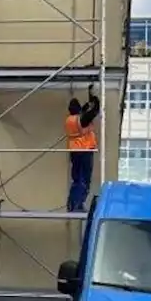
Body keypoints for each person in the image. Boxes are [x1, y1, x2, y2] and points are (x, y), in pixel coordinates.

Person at [65, 84, 101, 212]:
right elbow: (93, 111)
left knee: (76, 179)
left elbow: (85, 111)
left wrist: (89, 97)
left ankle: (72, 204)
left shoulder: (70, 119)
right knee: (84, 180)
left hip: (75, 152)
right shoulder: (81, 119)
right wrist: (95, 98)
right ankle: (78, 205)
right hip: (84, 151)